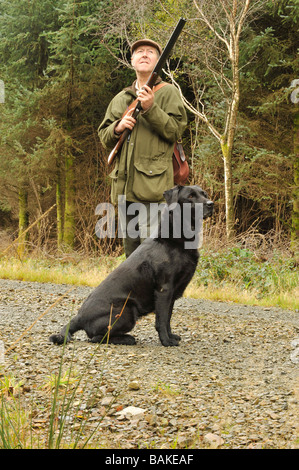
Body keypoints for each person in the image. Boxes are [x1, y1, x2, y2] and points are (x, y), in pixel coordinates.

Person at [98, 38, 187, 257]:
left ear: (158, 61)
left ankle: (156, 293)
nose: (144, 54)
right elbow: (104, 136)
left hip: (154, 190)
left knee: (153, 255)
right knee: (132, 257)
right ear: (132, 60)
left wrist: (150, 108)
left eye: (150, 52)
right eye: (139, 52)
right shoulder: (122, 98)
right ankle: (135, 293)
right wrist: (118, 128)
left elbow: (175, 131)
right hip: (124, 190)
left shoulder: (168, 93)